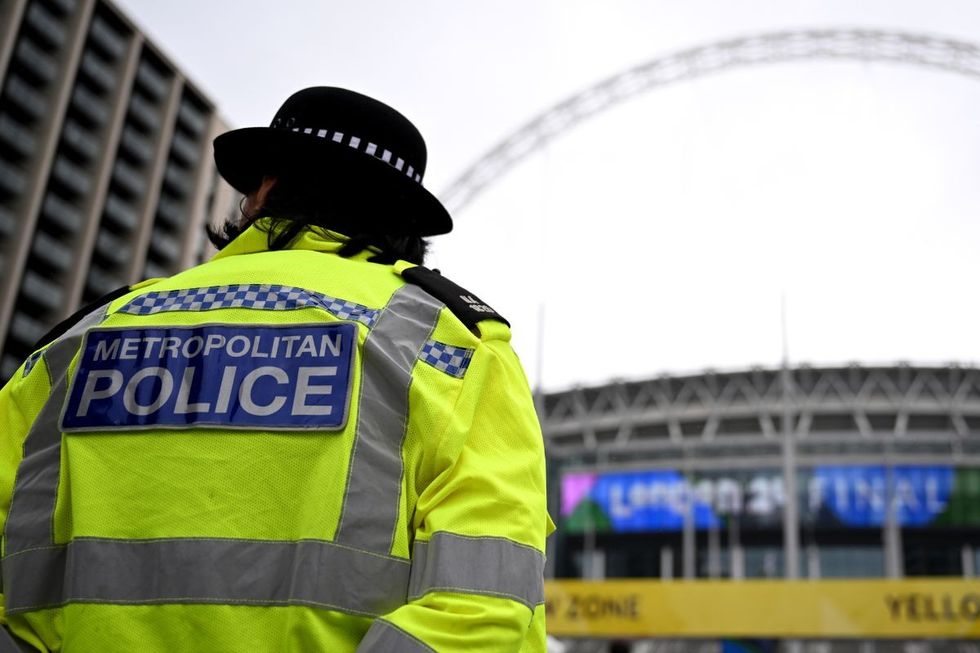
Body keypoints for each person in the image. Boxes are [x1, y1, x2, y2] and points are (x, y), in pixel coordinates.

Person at [0, 87, 552, 652]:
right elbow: (486, 606)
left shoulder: (88, 335)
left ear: (265, 190)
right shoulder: (455, 348)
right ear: (406, 225)